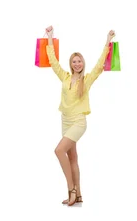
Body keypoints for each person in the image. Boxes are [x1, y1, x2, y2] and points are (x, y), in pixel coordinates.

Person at [44, 25, 115, 206]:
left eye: (80, 61)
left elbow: (100, 64)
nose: (77, 64)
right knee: (72, 157)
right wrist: (50, 37)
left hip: (78, 122)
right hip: (65, 120)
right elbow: (53, 61)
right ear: (71, 64)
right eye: (74, 61)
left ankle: (72, 190)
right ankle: (80, 194)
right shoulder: (65, 77)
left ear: (83, 63)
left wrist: (108, 41)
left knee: (59, 151)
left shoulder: (87, 79)